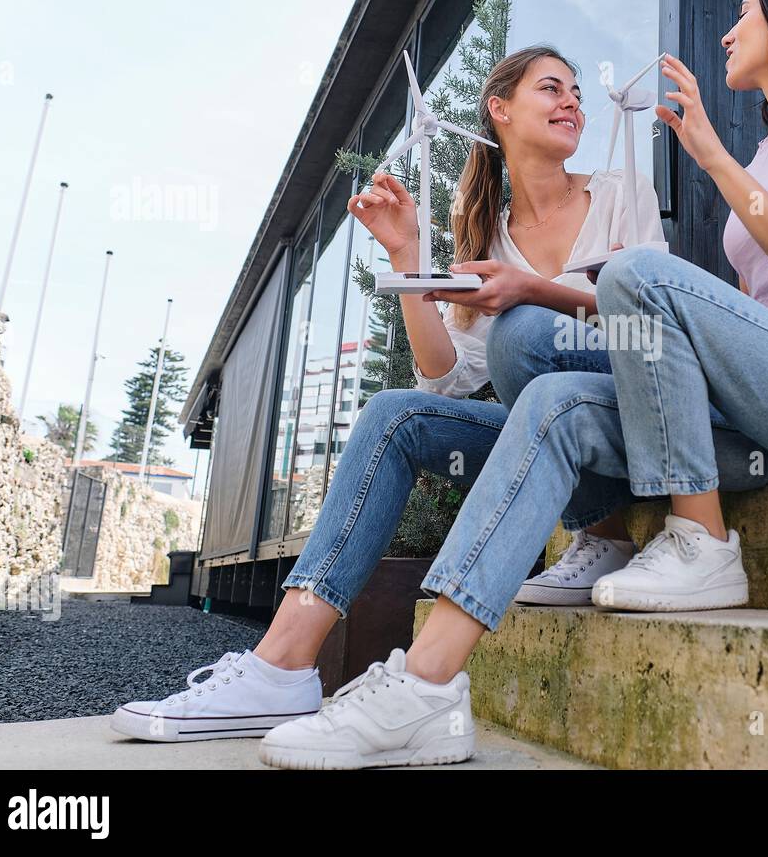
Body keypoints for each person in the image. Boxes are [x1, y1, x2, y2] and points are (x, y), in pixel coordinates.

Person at [248, 0, 768, 769]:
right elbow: (455, 372)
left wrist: (712, 160)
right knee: (554, 402)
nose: (728, 30)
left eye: (745, 12)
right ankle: (426, 687)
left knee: (633, 273)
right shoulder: (767, 151)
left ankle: (700, 540)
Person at [110, 45, 664, 763]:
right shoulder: (487, 235)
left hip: (625, 426)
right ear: (498, 110)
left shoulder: (622, 192)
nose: (574, 104)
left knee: (525, 336)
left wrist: (536, 292)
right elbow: (446, 380)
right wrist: (408, 259)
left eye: (577, 92)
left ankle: (607, 532)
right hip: (550, 429)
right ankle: (281, 665)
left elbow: (651, 326)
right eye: (551, 88)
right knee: (396, 414)